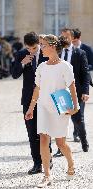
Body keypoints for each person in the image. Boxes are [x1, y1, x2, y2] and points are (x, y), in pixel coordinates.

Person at [25, 34, 79, 187]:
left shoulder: (65, 66)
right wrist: (31, 108)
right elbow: (37, 88)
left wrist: (75, 107)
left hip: (59, 107)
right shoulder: (41, 67)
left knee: (60, 143)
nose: (40, 48)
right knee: (43, 138)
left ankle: (71, 164)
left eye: (43, 45)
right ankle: (47, 176)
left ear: (53, 46)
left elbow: (72, 87)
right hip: (43, 106)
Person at [12, 32, 50, 175]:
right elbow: (14, 74)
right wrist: (22, 63)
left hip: (45, 98)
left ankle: (48, 158)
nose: (31, 51)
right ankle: (37, 163)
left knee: (45, 131)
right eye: (29, 48)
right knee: (32, 132)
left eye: (34, 48)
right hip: (28, 99)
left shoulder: (47, 52)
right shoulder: (21, 54)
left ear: (39, 44)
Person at [54, 28, 90, 157]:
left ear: (73, 38)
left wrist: (86, 91)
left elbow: (85, 75)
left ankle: (84, 141)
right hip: (61, 91)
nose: (63, 38)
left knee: (78, 119)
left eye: (66, 36)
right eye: (61, 36)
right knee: (61, 120)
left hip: (77, 91)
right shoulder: (56, 53)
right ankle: (61, 148)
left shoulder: (80, 53)